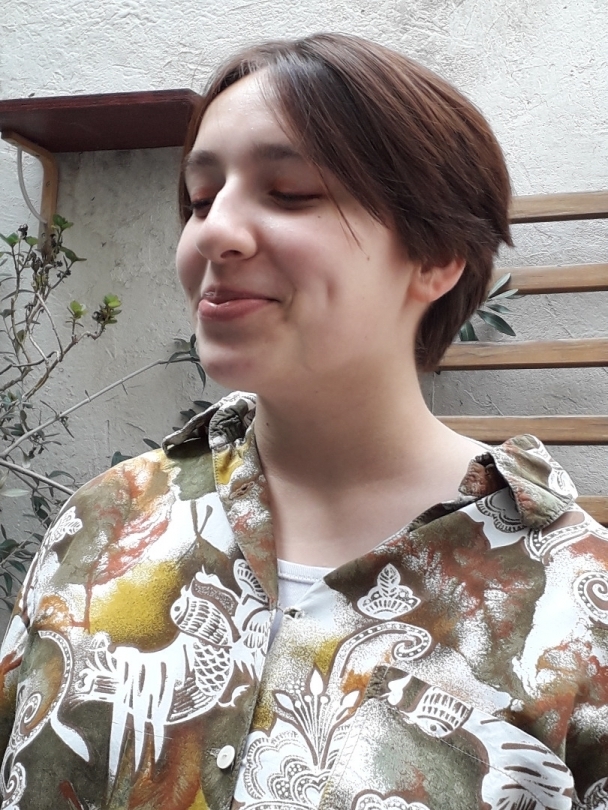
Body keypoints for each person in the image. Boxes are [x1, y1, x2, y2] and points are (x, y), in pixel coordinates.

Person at [0, 32, 606, 810]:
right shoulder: (106, 520)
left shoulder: (575, 603)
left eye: (290, 192)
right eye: (199, 199)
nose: (212, 231)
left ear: (437, 255)